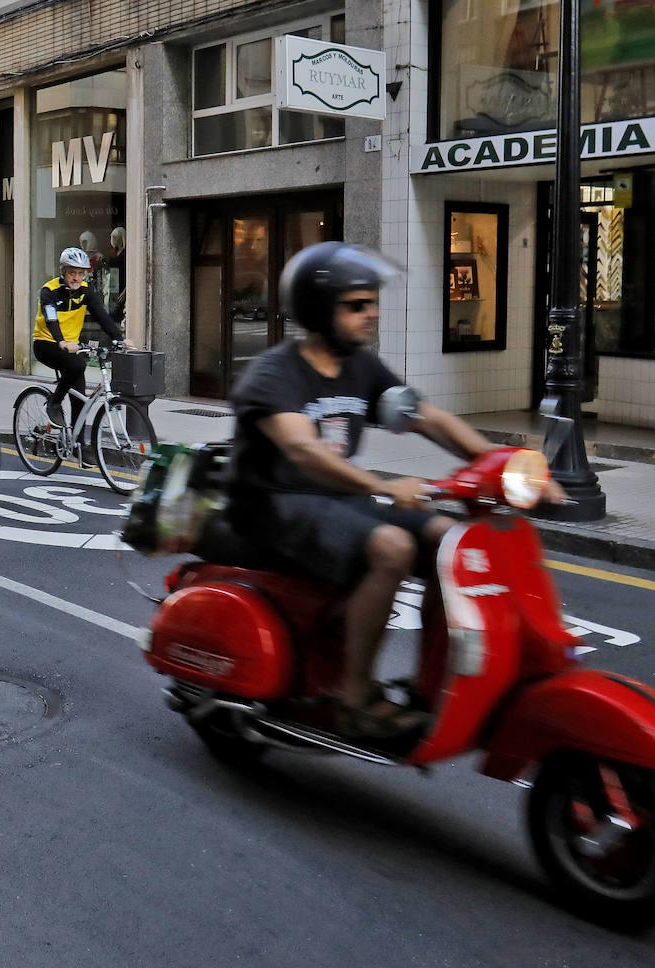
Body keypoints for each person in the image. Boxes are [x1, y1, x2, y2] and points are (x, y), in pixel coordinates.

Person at [228, 242, 565, 742]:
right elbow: (303, 451)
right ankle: (354, 696)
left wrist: (502, 463)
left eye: (372, 302)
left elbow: (425, 416)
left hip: (335, 501)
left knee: (448, 538)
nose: (372, 313)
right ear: (321, 312)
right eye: (357, 305)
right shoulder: (275, 372)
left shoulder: (361, 367)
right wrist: (382, 485)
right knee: (393, 547)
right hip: (273, 502)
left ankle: (435, 684)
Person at [34, 247, 129, 427]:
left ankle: (78, 445)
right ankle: (54, 402)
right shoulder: (49, 291)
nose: (76, 278)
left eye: (80, 273)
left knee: (80, 397)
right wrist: (61, 341)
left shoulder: (86, 291)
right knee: (78, 365)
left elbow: (102, 317)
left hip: (70, 347)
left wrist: (120, 338)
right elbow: (51, 319)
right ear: (63, 272)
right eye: (72, 273)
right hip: (46, 343)